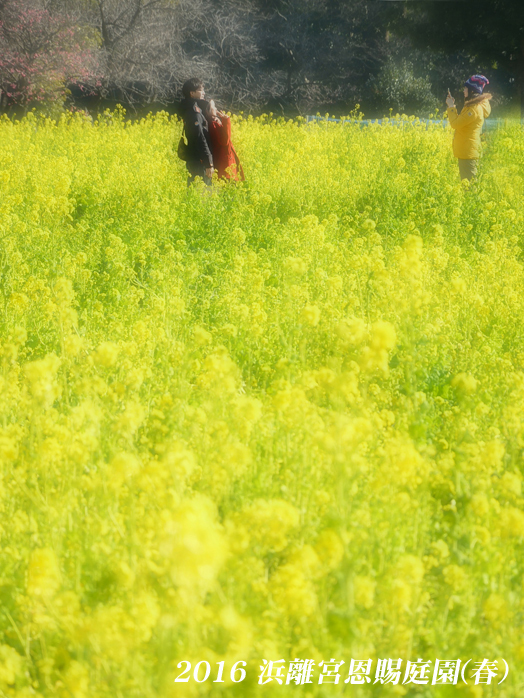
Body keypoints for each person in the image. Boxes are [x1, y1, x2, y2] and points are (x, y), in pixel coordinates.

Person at [445, 75, 492, 181]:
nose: (463, 90)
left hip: (468, 153)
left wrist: (451, 107)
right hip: (467, 151)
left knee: (469, 188)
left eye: (466, 88)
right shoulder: (472, 106)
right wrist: (451, 106)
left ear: (472, 91)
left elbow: (455, 124)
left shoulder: (474, 109)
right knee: (468, 185)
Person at [179, 78, 214, 186]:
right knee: (202, 194)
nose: (203, 93)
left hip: (195, 160)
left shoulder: (190, 109)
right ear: (192, 93)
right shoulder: (194, 113)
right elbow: (200, 138)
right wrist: (209, 163)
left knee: (196, 192)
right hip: (199, 161)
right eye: (200, 90)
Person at [203, 99, 245, 182]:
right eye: (213, 107)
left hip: (223, 162)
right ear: (207, 111)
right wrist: (226, 121)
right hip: (225, 164)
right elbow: (225, 141)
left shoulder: (213, 123)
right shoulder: (213, 125)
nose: (216, 109)